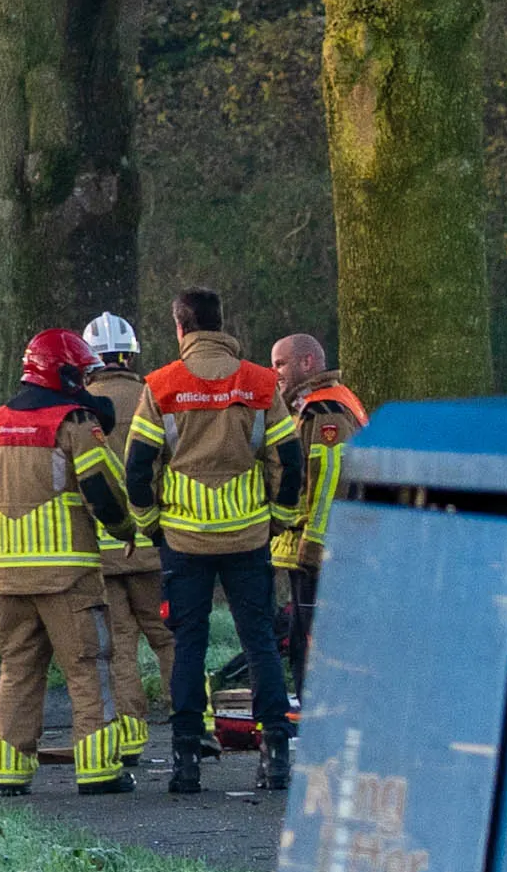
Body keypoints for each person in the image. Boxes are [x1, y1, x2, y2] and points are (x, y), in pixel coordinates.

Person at [124, 288, 303, 793]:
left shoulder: (161, 386)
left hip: (183, 540)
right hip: (249, 535)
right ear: (222, 324)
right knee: (261, 643)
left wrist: (149, 522)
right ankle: (277, 756)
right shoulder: (262, 383)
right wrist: (281, 518)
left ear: (182, 328)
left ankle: (186, 762)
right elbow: (288, 461)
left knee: (188, 645)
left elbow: (138, 467)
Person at [0, 329, 139, 796]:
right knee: (87, 668)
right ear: (64, 372)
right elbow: (102, 488)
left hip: (9, 580)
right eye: (80, 372)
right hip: (68, 577)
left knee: (18, 672)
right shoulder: (73, 422)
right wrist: (126, 531)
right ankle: (99, 771)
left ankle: (10, 772)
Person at [81, 312, 175, 775]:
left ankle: (131, 735)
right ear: (131, 354)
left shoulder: (80, 407)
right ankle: (194, 724)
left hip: (102, 553)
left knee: (118, 645)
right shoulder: (155, 397)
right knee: (170, 635)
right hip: (156, 544)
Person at [269, 333, 367, 693]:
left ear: (307, 363)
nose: (274, 372)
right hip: (327, 543)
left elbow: (328, 480)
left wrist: (314, 542)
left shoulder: (323, 410)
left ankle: (317, 709)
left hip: (321, 547)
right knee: (302, 631)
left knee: (313, 636)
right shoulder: (325, 403)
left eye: (280, 363)